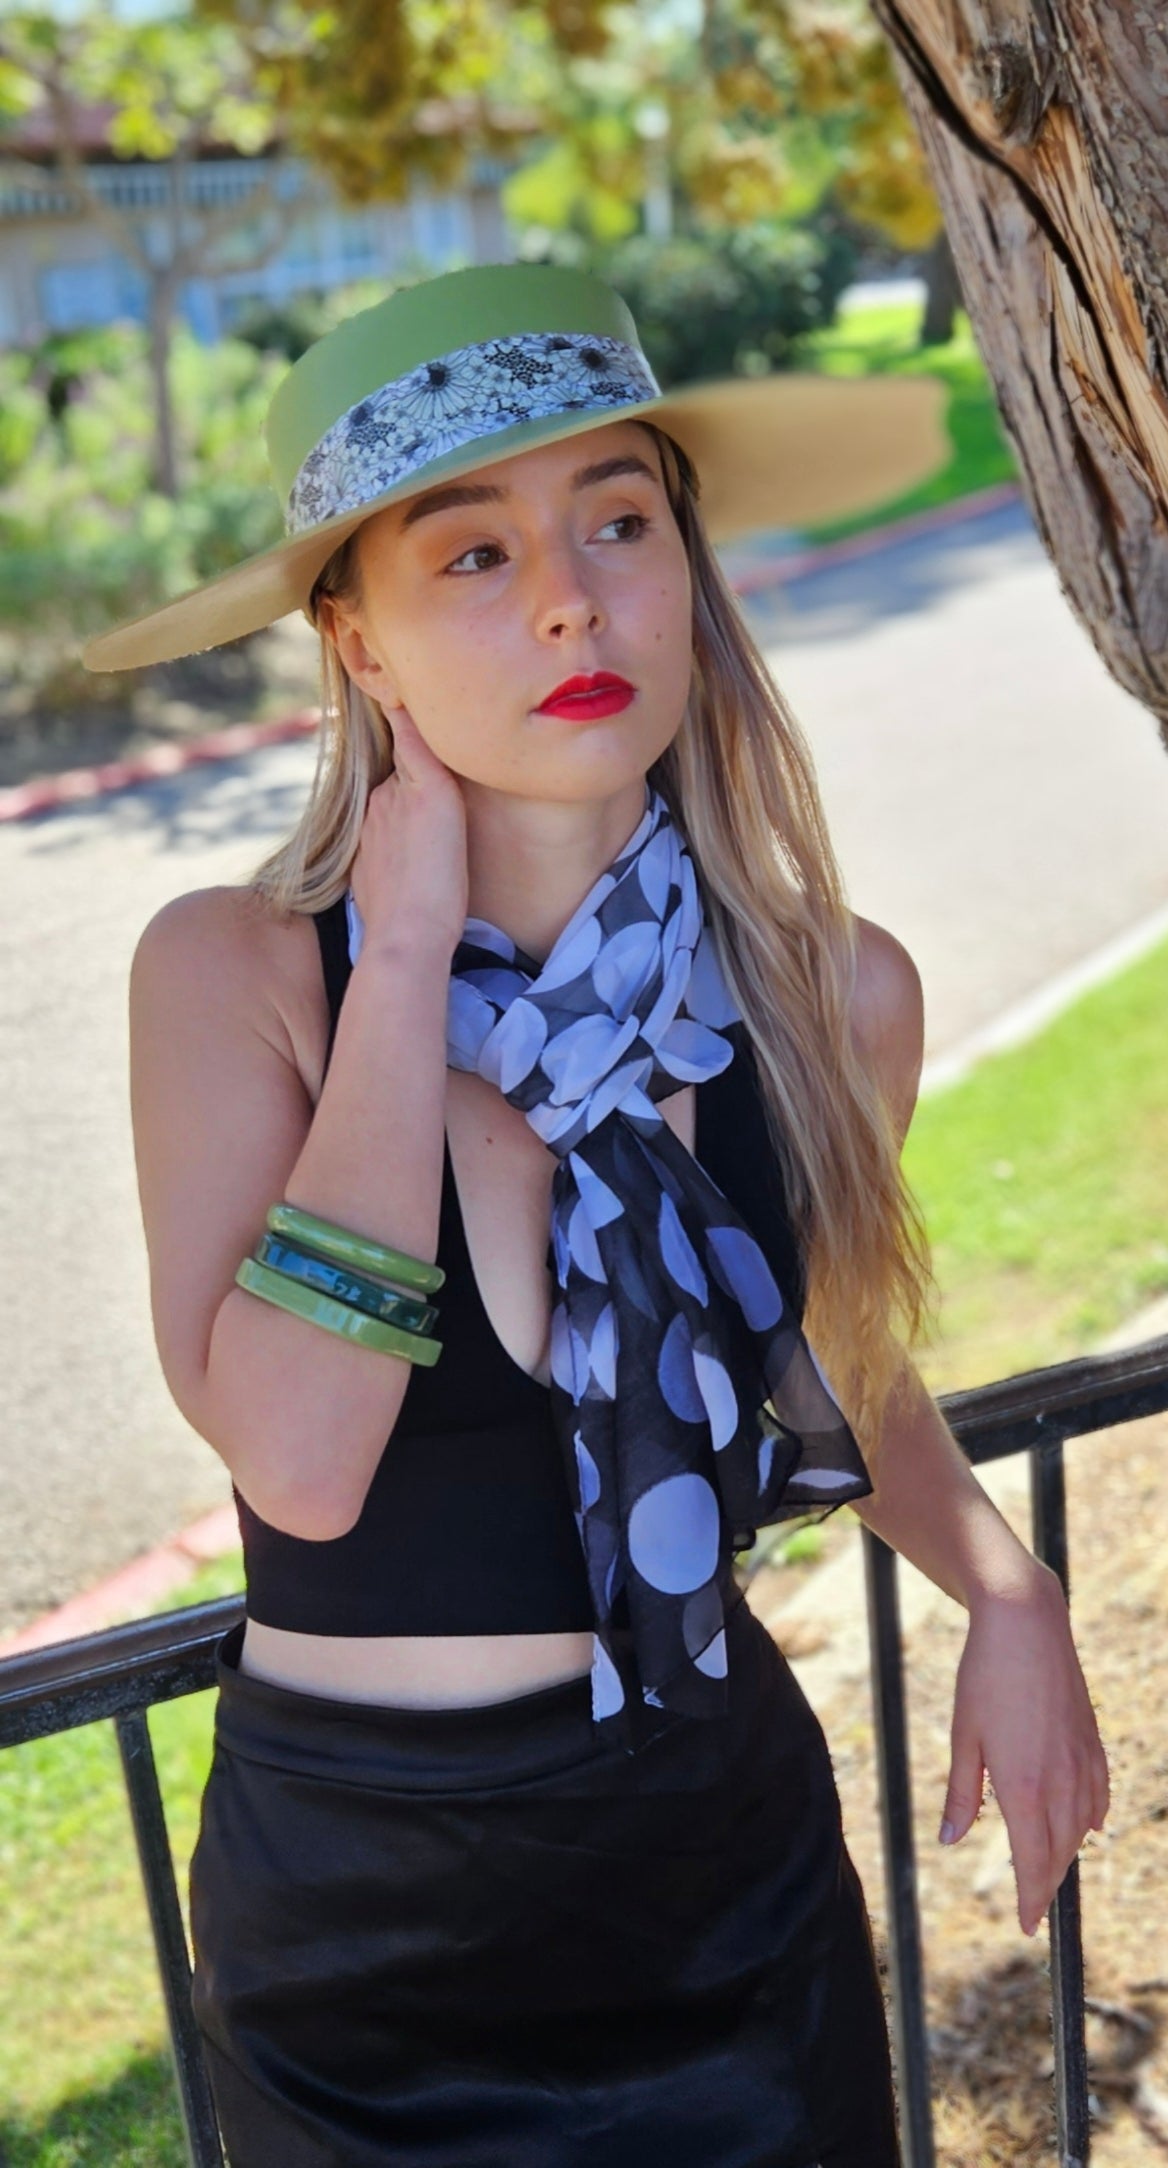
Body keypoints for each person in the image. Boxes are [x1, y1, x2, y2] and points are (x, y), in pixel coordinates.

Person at [95, 263, 1109, 2167]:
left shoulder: (830, 994)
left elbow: (827, 1363)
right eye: (473, 555)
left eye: (618, 524)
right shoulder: (242, 975)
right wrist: (403, 962)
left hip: (720, 1870)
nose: (571, 597)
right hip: (366, 1928)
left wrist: (1006, 1587)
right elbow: (299, 1460)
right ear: (360, 646)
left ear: (687, 574)